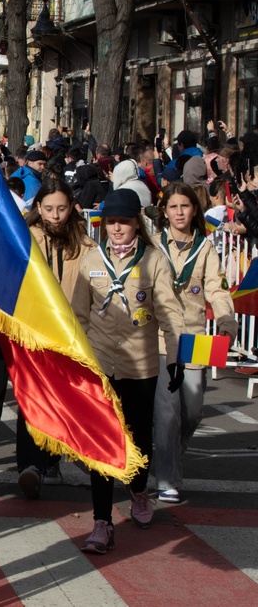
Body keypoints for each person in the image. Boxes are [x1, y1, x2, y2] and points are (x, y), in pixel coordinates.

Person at [71, 188, 183, 554]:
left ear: (137, 222)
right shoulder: (90, 260)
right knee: (101, 442)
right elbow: (78, 316)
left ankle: (137, 491)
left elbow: (169, 314)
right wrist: (78, 361)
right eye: (111, 222)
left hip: (141, 365)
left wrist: (175, 359)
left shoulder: (154, 261)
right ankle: (101, 521)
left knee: (137, 439)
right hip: (101, 366)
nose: (117, 228)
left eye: (124, 221)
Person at [153, 182, 237, 503]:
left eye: (184, 207)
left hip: (194, 339)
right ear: (165, 211)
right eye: (173, 207)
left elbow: (217, 289)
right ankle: (166, 480)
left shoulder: (205, 248)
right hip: (161, 339)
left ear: (193, 210)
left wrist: (227, 322)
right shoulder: (154, 246)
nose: (179, 212)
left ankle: (172, 450)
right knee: (167, 411)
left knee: (193, 412)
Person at [15, 178, 97, 498]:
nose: (55, 215)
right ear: (38, 208)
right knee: (32, 397)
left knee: (62, 397)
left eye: (62, 208)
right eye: (48, 209)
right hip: (34, 330)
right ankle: (29, 465)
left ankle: (51, 460)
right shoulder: (27, 238)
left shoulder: (85, 242)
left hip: (73, 332)